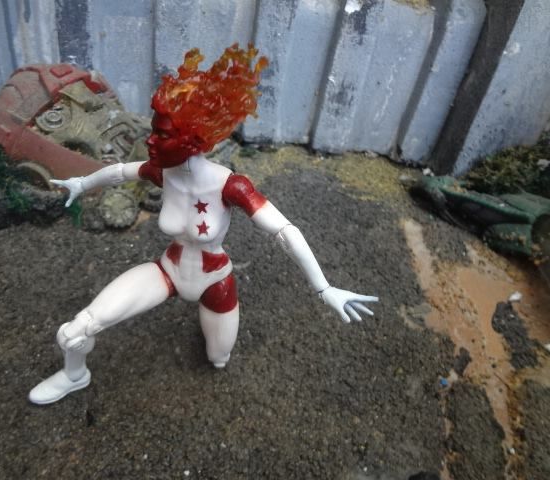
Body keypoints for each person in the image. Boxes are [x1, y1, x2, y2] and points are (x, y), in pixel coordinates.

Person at [29, 44, 378, 405]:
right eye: (154, 130)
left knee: (218, 357)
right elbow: (119, 172)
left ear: (192, 139)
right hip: (167, 272)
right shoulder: (162, 173)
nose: (150, 140)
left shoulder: (230, 185)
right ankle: (74, 376)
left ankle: (217, 351)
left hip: (215, 283)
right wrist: (82, 184)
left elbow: (285, 231)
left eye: (162, 134)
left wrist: (323, 287)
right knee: (76, 331)